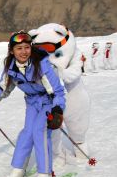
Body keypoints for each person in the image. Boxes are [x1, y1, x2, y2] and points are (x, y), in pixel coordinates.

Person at [0, 31, 65, 177]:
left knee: (40, 131)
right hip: (32, 101)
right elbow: (2, 87)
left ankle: (46, 173)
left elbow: (57, 91)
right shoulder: (11, 67)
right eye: (19, 48)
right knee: (27, 132)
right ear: (12, 51)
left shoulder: (42, 64)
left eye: (27, 47)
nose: (24, 51)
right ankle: (18, 169)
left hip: (48, 101)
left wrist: (58, 109)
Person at [29, 23, 91, 166]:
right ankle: (57, 156)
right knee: (53, 127)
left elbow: (72, 74)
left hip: (73, 96)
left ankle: (81, 150)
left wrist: (55, 72)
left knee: (77, 126)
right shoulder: (39, 61)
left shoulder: (75, 54)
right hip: (52, 98)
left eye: (50, 48)